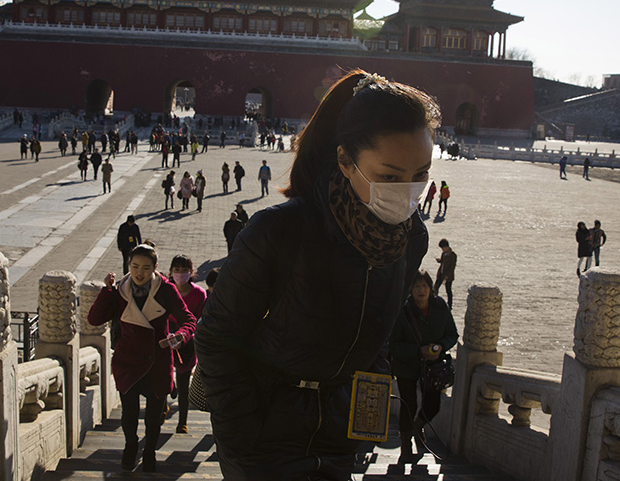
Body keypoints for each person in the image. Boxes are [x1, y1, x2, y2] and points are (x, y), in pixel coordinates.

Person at [196, 70, 435, 479]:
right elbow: (216, 336)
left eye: (421, 175)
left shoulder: (410, 239)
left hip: (339, 434)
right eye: (390, 177)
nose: (407, 192)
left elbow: (380, 334)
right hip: (263, 436)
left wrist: (365, 413)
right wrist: (241, 428)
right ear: (345, 161)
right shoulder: (279, 230)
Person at [86, 243, 196, 472]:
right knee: (129, 413)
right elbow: (95, 319)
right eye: (135, 266)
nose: (139, 272)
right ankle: (130, 446)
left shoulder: (165, 290)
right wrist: (106, 291)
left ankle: (149, 452)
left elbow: (188, 320)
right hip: (128, 360)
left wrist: (181, 335)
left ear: (155, 268)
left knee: (154, 417)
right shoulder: (120, 290)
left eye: (146, 268)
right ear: (129, 265)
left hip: (157, 361)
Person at [390, 271, 458, 462]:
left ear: (430, 288)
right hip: (407, 365)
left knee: (432, 405)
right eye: (417, 286)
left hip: (433, 367)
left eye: (425, 286)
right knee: (408, 404)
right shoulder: (403, 311)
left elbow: (452, 334)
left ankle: (418, 426)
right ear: (410, 290)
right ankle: (405, 445)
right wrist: (418, 351)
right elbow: (393, 344)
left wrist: (440, 346)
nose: (421, 290)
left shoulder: (440, 307)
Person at [167, 255, 207, 434]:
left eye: (184, 270)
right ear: (171, 271)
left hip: (187, 343)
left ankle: (182, 422)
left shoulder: (199, 294)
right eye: (177, 270)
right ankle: (165, 403)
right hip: (166, 341)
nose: (180, 274)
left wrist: (184, 336)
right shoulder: (165, 291)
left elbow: (199, 320)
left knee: (184, 385)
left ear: (191, 272)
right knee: (163, 378)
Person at [434, 238, 458, 309]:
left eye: (443, 248)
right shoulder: (444, 253)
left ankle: (449, 305)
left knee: (448, 290)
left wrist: (447, 275)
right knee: (435, 287)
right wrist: (439, 260)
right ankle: (434, 301)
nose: (442, 250)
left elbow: (452, 267)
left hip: (448, 276)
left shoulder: (453, 255)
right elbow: (443, 262)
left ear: (446, 247)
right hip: (441, 274)